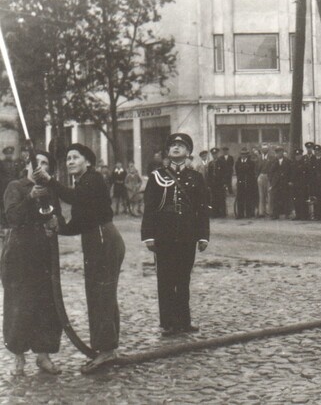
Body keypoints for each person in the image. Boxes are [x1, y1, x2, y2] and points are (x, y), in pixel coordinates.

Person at [33, 143, 126, 373]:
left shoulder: (92, 179)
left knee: (101, 294)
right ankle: (107, 348)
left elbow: (75, 198)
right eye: (68, 158)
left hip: (103, 239)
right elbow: (78, 223)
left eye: (75, 157)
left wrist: (50, 180)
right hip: (96, 239)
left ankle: (105, 351)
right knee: (99, 294)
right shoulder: (83, 182)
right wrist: (59, 228)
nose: (70, 161)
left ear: (88, 162)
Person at [141, 133, 210, 337]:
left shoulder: (196, 178)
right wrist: (148, 235)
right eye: (173, 146)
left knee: (183, 278)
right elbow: (150, 208)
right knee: (165, 278)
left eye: (181, 145)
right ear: (168, 152)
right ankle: (168, 322)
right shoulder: (157, 176)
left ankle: (184, 321)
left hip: (187, 235)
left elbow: (202, 209)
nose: (177, 148)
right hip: (164, 235)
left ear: (188, 152)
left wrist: (203, 235)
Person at [2, 150, 63, 375]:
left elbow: (55, 216)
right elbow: (12, 217)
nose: (41, 167)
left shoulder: (49, 189)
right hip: (19, 252)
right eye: (37, 162)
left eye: (46, 163)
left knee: (46, 303)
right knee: (19, 304)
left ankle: (43, 356)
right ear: (28, 164)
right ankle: (19, 358)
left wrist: (57, 221)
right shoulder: (15, 187)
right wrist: (30, 198)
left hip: (43, 252)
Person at [268, 147, 293, 219]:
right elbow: (270, 172)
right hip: (276, 183)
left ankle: (287, 214)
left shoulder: (288, 161)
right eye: (278, 152)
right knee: (275, 198)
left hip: (285, 182)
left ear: (283, 152)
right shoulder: (273, 161)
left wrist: (290, 181)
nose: (279, 154)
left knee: (285, 198)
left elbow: (291, 172)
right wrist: (271, 181)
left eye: (280, 152)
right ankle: (275, 214)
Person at [234, 148, 257, 219]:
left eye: (245, 154)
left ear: (247, 155)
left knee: (248, 199)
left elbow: (252, 173)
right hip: (240, 183)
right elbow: (237, 173)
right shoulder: (237, 163)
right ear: (240, 155)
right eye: (242, 154)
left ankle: (248, 214)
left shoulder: (251, 163)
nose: (243, 156)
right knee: (240, 198)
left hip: (249, 183)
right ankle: (240, 214)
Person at [0, 146, 18, 230]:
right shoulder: (1, 163)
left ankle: (11, 222)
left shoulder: (15, 163)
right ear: (5, 154)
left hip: (13, 188)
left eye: (11, 153)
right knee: (3, 205)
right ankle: (3, 223)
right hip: (3, 187)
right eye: (7, 154)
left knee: (13, 204)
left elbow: (17, 176)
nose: (9, 155)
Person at [209, 148, 227, 218]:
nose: (214, 155)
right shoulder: (210, 163)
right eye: (213, 154)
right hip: (213, 184)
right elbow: (209, 175)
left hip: (220, 183)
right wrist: (209, 184)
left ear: (218, 154)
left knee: (221, 198)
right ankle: (215, 213)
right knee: (214, 199)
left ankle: (222, 213)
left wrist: (225, 183)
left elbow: (225, 173)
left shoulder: (222, 162)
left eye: (215, 154)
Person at [290, 148, 308, 219]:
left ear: (301, 155)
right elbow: (290, 174)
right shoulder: (293, 164)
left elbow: (307, 174)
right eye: (296, 155)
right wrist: (290, 181)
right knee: (296, 200)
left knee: (302, 200)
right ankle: (298, 215)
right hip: (295, 185)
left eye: (299, 155)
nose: (298, 156)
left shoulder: (304, 164)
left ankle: (303, 215)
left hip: (302, 185)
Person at [257, 144, 273, 218]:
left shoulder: (271, 158)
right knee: (261, 195)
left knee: (269, 195)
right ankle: (261, 212)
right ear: (261, 150)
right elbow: (257, 168)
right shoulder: (259, 158)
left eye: (266, 149)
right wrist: (258, 176)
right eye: (263, 149)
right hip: (261, 176)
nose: (264, 150)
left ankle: (269, 211)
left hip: (268, 176)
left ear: (268, 150)